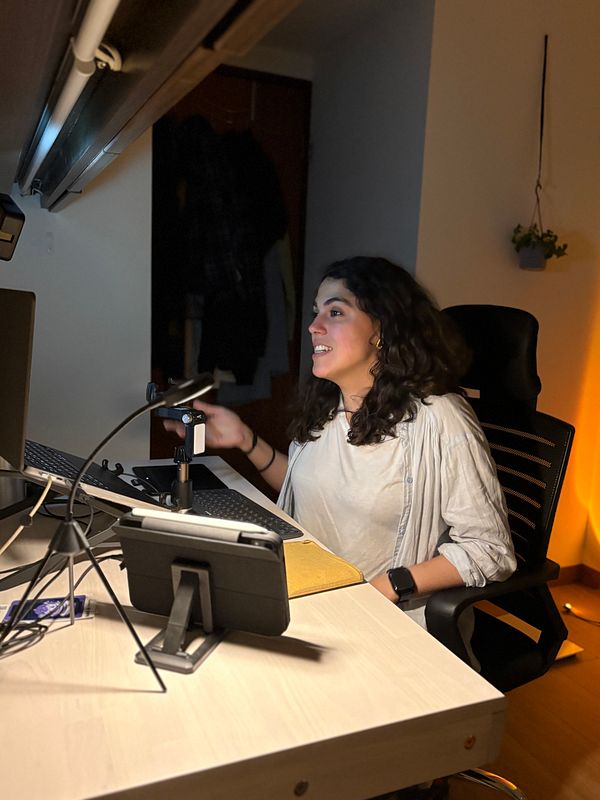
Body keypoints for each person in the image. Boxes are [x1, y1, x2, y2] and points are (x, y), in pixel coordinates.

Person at [166, 256, 516, 640]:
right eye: (317, 313)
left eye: (335, 312)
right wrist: (245, 440)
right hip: (310, 601)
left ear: (380, 328)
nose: (314, 327)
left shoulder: (440, 419)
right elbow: (315, 491)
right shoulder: (329, 406)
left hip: (382, 624)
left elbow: (490, 550)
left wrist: (384, 588)